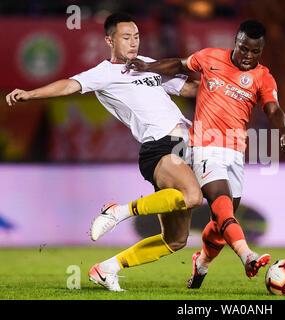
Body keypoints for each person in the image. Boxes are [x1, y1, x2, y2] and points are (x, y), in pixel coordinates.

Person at [5, 13, 204, 292]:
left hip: (186, 145)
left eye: (136, 36)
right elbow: (69, 85)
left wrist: (227, 84)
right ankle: (119, 211)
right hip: (159, 147)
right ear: (109, 40)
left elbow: (189, 89)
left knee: (175, 240)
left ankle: (106, 269)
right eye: (126, 37)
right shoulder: (104, 73)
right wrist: (30, 93)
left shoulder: (149, 66)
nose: (133, 43)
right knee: (193, 196)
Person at [126, 20, 285, 288]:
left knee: (221, 223)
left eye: (255, 52)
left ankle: (201, 264)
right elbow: (180, 65)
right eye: (244, 49)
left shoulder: (263, 76)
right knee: (222, 205)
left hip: (235, 153)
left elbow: (273, 110)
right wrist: (148, 66)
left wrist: (283, 132)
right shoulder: (210, 57)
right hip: (204, 146)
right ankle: (247, 255)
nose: (248, 57)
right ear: (235, 42)